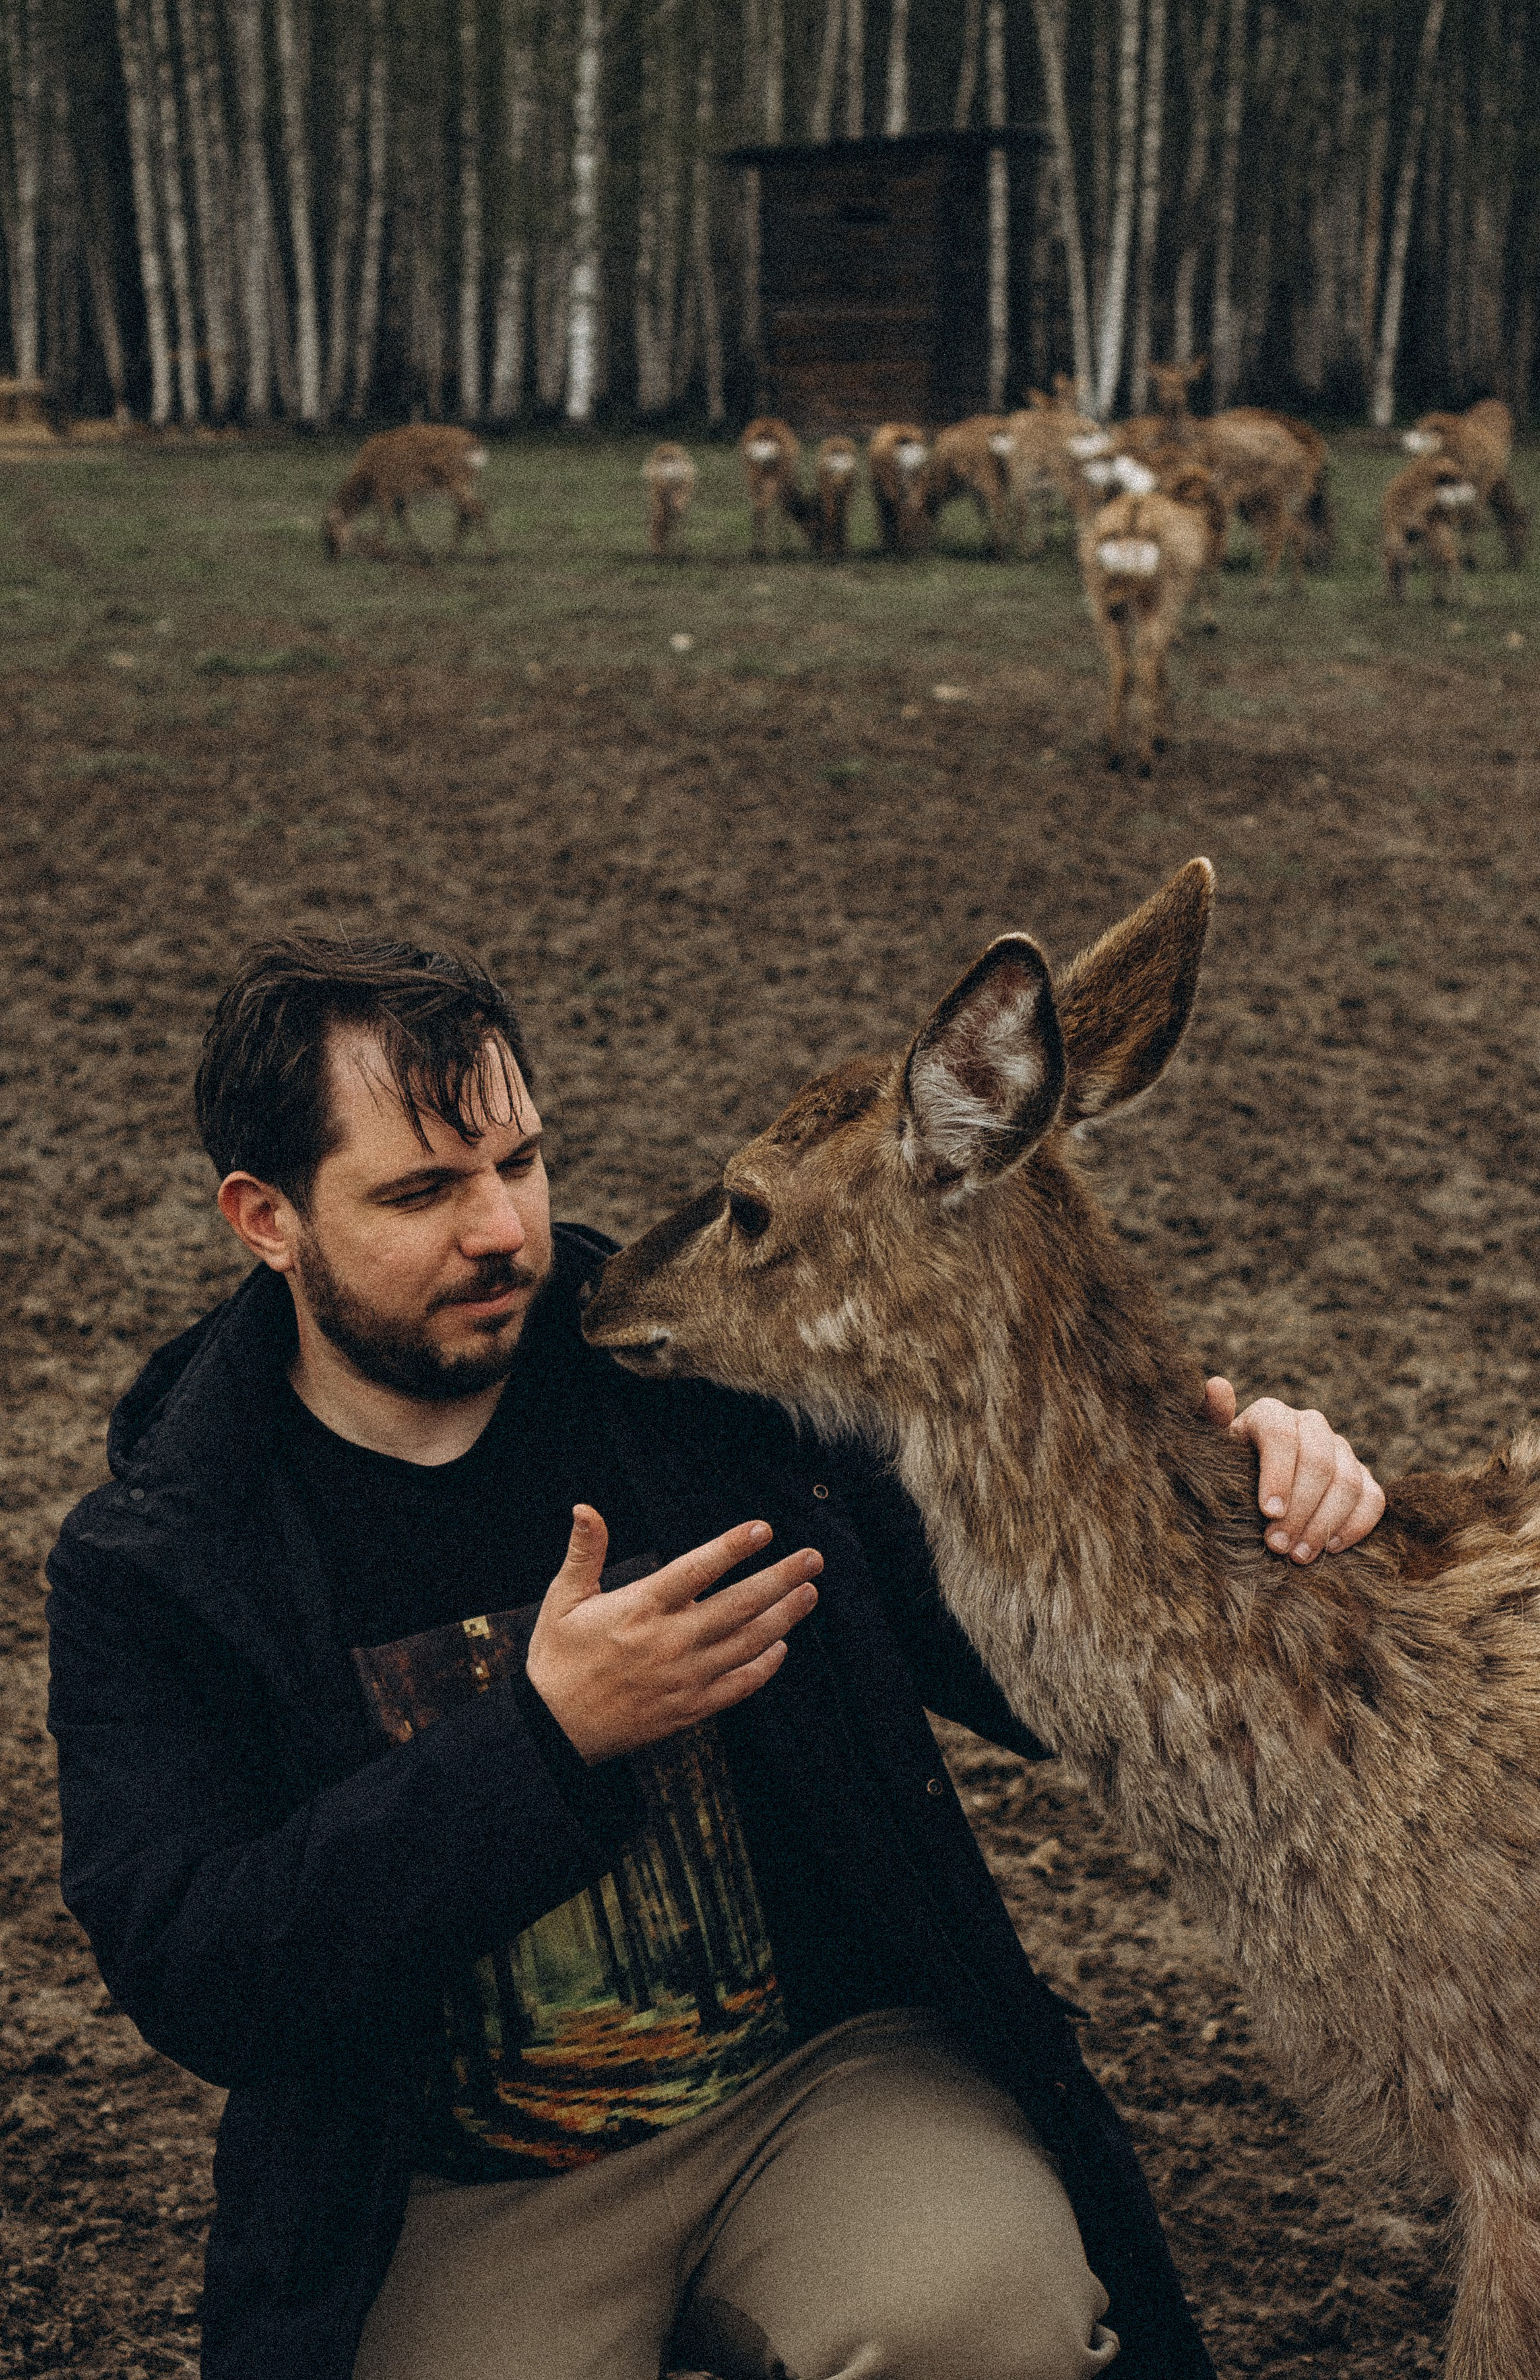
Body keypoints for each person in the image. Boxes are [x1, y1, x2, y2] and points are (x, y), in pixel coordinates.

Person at [47, 938, 1385, 2380]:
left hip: (817, 2091)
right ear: (267, 1218)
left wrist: (1224, 1498)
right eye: (422, 1193)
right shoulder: (162, 1559)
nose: (504, 1230)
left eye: (519, 1162)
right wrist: (540, 1743)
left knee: (986, 2324)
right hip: (455, 2184)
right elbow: (202, 1967)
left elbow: (1036, 1663)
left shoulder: (710, 1385)